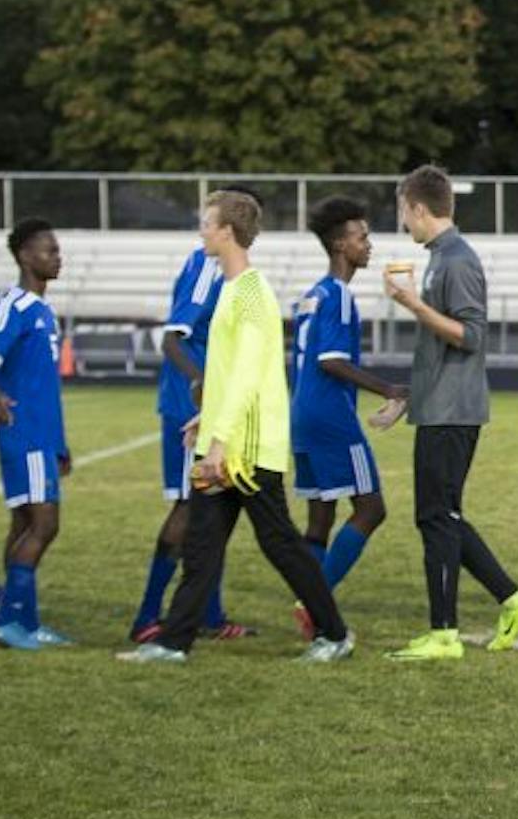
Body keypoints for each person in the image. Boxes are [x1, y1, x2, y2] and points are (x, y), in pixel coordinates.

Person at [118, 191, 352, 664]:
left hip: (245, 450)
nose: (202, 230)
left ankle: (335, 634)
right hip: (225, 442)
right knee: (202, 549)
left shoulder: (249, 292)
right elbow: (235, 372)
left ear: (227, 231)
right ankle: (172, 642)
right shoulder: (232, 290)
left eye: (207, 222)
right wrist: (206, 421)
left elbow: (248, 374)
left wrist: (220, 441)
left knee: (281, 545)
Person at [387, 166, 518, 660]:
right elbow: (439, 343)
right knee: (441, 516)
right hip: (437, 406)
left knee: (437, 517)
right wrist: (409, 396)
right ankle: (514, 601)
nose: (402, 223)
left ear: (417, 208)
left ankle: (445, 633)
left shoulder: (457, 260)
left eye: (402, 212)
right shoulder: (438, 257)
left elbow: (472, 336)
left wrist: (413, 304)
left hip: (453, 411)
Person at [130, 195, 251, 644]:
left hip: (208, 404)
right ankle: (147, 616)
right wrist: (200, 384)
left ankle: (210, 614)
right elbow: (173, 338)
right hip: (190, 408)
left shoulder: (227, 270)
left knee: (211, 505)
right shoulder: (206, 267)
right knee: (190, 507)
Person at [290, 196, 403, 635]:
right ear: (340, 245)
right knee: (371, 508)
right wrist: (390, 389)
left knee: (320, 520)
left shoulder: (310, 296)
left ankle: (309, 608)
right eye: (361, 237)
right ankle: (314, 603)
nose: (368, 245)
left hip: (303, 414)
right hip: (331, 417)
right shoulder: (337, 294)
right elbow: (331, 361)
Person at [0, 219, 71, 651]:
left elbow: (42, 384)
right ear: (25, 256)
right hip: (24, 433)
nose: (57, 256)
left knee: (24, 523)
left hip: (42, 435)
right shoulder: (14, 305)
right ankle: (10, 619)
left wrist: (60, 444)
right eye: (48, 250)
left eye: (57, 249)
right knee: (45, 525)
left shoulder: (42, 310)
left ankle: (22, 621)